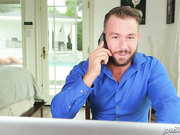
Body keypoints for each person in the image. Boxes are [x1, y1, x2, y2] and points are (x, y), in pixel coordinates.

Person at [51, 6, 180, 123]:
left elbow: (169, 106)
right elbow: (59, 115)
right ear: (103, 38)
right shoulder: (84, 69)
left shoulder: (151, 67)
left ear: (137, 37)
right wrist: (90, 76)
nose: (123, 46)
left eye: (130, 37)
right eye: (115, 37)